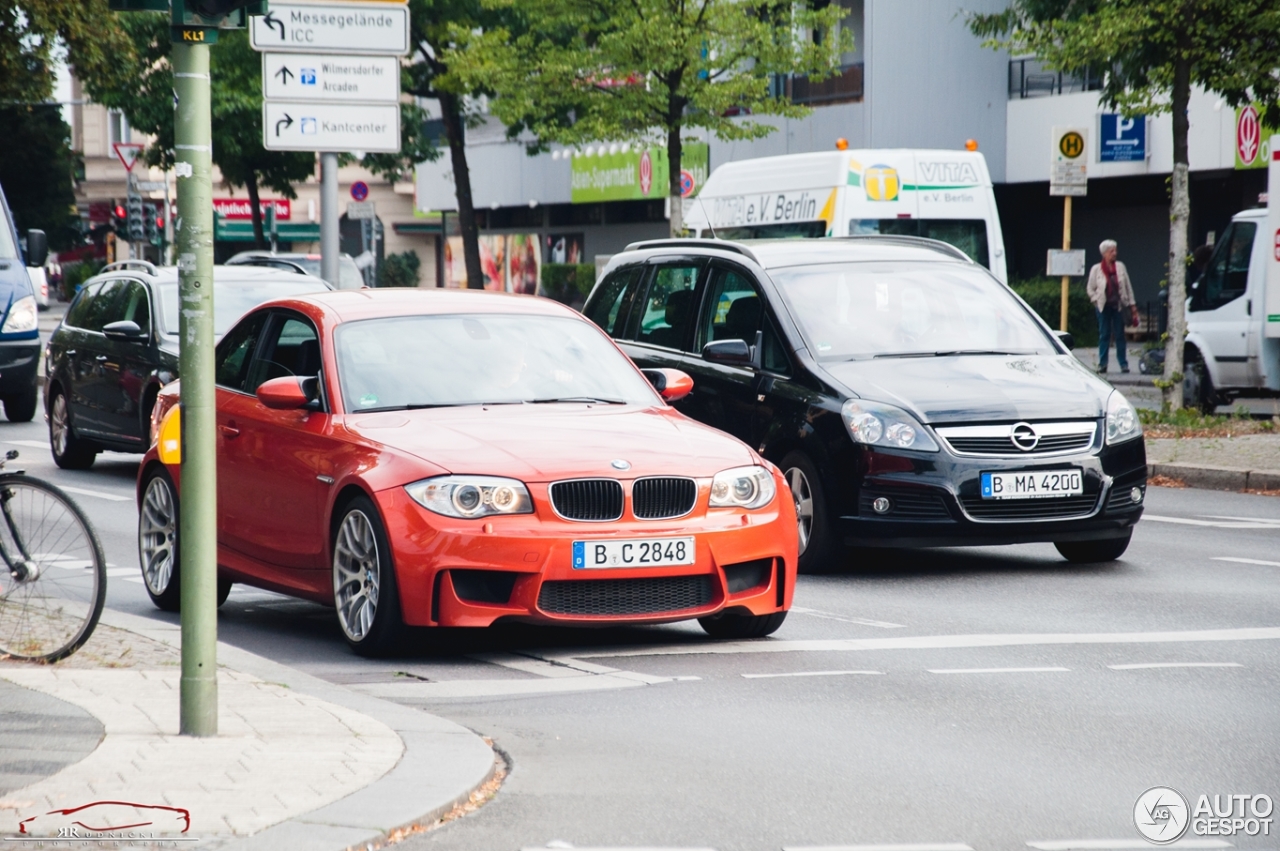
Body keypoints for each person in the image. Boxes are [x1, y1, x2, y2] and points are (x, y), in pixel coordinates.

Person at [1086, 239, 1138, 374]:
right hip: (1103, 307)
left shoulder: (1121, 267)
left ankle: (1123, 364)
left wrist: (1133, 306)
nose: (1115, 253)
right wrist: (1095, 300)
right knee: (1104, 335)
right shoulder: (1096, 269)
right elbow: (1090, 288)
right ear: (1104, 253)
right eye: (1111, 251)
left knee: (1120, 335)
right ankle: (1102, 364)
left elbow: (1128, 287)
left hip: (1118, 306)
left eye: (1115, 250)